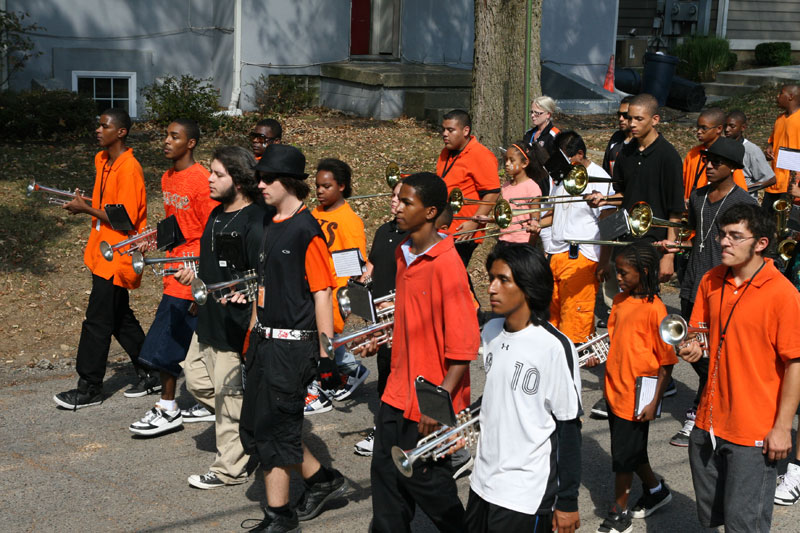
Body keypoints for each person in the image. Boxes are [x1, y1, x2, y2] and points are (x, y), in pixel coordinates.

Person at [239, 144, 348, 532]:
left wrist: (326, 355)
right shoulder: (269, 223)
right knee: (256, 427)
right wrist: (251, 336)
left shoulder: (307, 231)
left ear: (287, 182)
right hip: (266, 342)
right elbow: (263, 286)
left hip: (293, 346)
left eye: (267, 179)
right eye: (258, 178)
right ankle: (323, 481)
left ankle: (280, 518)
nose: (261, 185)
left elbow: (322, 294)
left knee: (275, 433)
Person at [364, 172, 480, 533]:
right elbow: (410, 321)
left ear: (431, 212)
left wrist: (438, 400)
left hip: (428, 401)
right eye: (398, 199)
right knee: (386, 483)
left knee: (432, 489)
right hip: (395, 393)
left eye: (407, 202)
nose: (397, 207)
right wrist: (382, 337)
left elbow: (463, 346)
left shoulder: (447, 264)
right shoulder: (403, 254)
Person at [680, 203, 800, 531]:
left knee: (744, 524)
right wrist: (691, 346)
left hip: (754, 432)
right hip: (707, 423)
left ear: (761, 243)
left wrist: (782, 427)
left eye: (735, 236)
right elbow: (699, 334)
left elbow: (796, 365)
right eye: (722, 234)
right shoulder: (710, 279)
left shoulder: (783, 295)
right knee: (714, 518)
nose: (724, 242)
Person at [465, 243, 582, 533]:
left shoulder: (554, 347)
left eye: (503, 280)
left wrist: (567, 501)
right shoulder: (490, 331)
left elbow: (569, 429)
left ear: (528, 286)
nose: (491, 288)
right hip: (482, 482)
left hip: (525, 494)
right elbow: (500, 397)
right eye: (491, 278)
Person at [175, 146, 267, 489]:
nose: (209, 179)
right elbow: (218, 268)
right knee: (197, 381)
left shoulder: (255, 221)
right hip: (209, 318)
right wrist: (195, 279)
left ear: (240, 181)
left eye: (218, 174)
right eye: (211, 172)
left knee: (228, 400)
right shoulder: (216, 215)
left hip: (236, 324)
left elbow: (261, 278)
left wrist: (255, 323)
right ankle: (250, 428)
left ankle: (230, 467)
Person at [661, 137, 757, 448]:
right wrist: (676, 246)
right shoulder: (698, 196)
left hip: (725, 289)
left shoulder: (745, 204)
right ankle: (714, 398)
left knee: (716, 351)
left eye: (717, 162)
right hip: (692, 284)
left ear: (733, 167)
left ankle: (699, 412)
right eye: (708, 160)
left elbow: (748, 252)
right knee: (692, 348)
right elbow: (697, 237)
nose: (710, 166)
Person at [54, 108, 150, 409]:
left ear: (120, 132)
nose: (98, 130)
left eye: (104, 126)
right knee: (120, 317)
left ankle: (89, 388)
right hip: (101, 251)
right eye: (98, 125)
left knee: (97, 321)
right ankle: (153, 370)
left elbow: (124, 219)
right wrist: (84, 203)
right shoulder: (103, 161)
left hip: (118, 254)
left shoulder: (129, 167)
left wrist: (85, 209)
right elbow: (106, 203)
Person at [129, 119, 217, 436]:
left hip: (190, 272)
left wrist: (202, 274)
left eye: (174, 137)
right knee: (194, 341)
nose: (166, 141)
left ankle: (168, 408)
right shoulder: (168, 177)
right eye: (166, 135)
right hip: (171, 266)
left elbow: (213, 231)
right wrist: (152, 240)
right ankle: (213, 400)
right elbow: (175, 225)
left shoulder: (202, 180)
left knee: (166, 341)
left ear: (190, 143)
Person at [595, 242, 676, 533]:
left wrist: (654, 401)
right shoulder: (618, 300)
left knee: (622, 458)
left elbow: (667, 362)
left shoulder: (656, 310)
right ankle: (656, 490)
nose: (618, 277)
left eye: (623, 272)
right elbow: (617, 341)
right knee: (633, 450)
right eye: (617, 271)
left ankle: (620, 512)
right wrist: (599, 356)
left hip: (637, 395)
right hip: (614, 389)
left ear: (643, 272)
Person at [587, 93, 685, 283]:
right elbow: (624, 195)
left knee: (644, 300)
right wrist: (604, 200)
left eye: (639, 119)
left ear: (655, 120)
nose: (632, 123)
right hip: (625, 237)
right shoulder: (626, 152)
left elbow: (676, 210)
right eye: (630, 118)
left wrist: (670, 255)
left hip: (652, 242)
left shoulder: (668, 156)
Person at [538, 131, 616, 344]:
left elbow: (608, 222)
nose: (563, 165)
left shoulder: (599, 178)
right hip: (556, 254)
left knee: (575, 323)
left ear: (580, 154)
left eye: (567, 159)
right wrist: (536, 223)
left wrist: (604, 261)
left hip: (580, 256)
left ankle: (576, 362)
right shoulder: (564, 177)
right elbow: (555, 212)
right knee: (553, 320)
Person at [307, 157, 370, 413]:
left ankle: (321, 390)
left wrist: (343, 297)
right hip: (312, 286)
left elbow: (354, 266)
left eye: (327, 186)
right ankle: (353, 371)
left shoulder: (350, 220)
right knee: (322, 338)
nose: (320, 191)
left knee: (323, 339)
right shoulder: (314, 213)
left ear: (342, 186)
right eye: (318, 186)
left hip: (333, 291)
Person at [353, 179, 407, 457]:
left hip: (403, 313)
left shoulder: (413, 236)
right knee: (385, 369)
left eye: (400, 197)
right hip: (381, 312)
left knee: (402, 373)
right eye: (393, 196)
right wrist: (364, 279)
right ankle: (386, 425)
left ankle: (390, 430)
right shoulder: (385, 229)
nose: (393, 201)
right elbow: (373, 262)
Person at [436, 109, 501, 266]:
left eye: (451, 130)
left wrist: (474, 223)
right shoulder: (446, 152)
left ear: (466, 131)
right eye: (443, 129)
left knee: (453, 275)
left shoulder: (480, 154)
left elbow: (492, 193)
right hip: (444, 227)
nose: (445, 134)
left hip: (464, 230)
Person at [682, 108, 749, 202]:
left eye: (704, 128)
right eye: (698, 127)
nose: (699, 131)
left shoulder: (727, 155)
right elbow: (684, 183)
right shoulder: (693, 153)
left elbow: (740, 192)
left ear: (719, 129)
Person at [497, 142, 543, 244]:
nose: (507, 164)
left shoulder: (532, 187)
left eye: (512, 160)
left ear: (525, 163)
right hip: (503, 239)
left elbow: (535, 218)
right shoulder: (505, 186)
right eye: (506, 160)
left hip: (522, 242)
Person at [724, 110, 775, 198]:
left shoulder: (751, 150)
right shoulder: (721, 146)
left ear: (743, 127)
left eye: (732, 126)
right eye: (725, 126)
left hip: (743, 203)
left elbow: (770, 179)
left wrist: (745, 190)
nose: (727, 129)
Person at [764, 85, 800, 211]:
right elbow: (773, 141)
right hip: (774, 181)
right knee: (765, 222)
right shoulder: (779, 119)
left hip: (791, 185)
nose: (777, 96)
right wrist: (769, 148)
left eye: (781, 93)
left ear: (791, 96)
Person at [602, 96, 633, 176]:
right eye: (619, 114)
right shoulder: (616, 138)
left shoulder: (642, 142)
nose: (621, 118)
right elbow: (606, 170)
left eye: (625, 115)